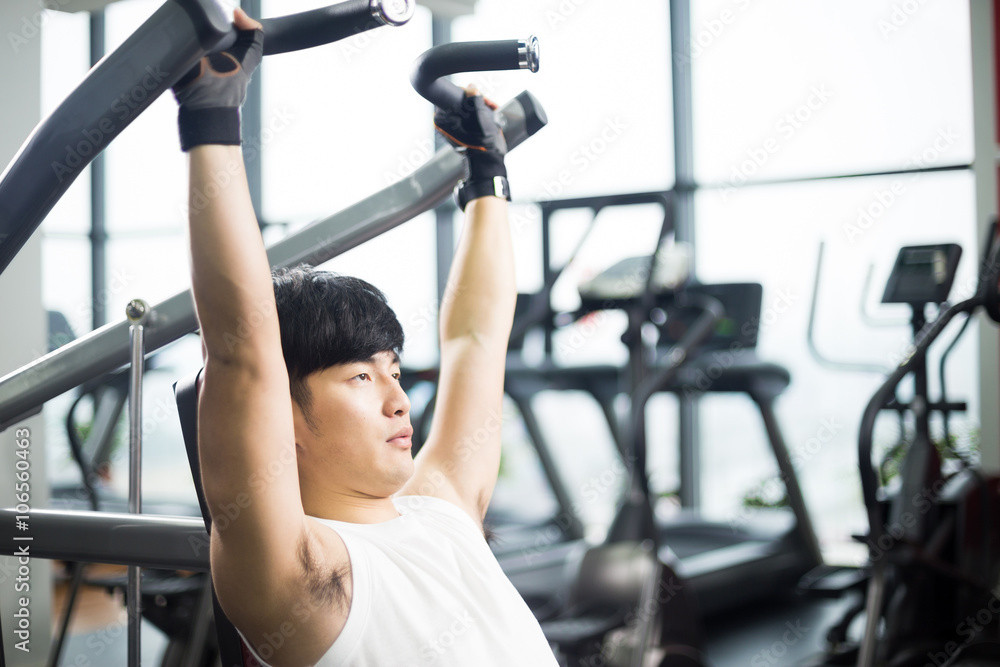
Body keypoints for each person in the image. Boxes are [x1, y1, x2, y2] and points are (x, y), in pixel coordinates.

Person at [172, 8, 559, 667]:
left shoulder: (444, 507)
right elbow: (241, 352)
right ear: (285, 414)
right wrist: (212, 117)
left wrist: (485, 172)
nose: (397, 399)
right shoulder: (310, 582)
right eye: (359, 376)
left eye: (395, 371)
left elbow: (476, 338)